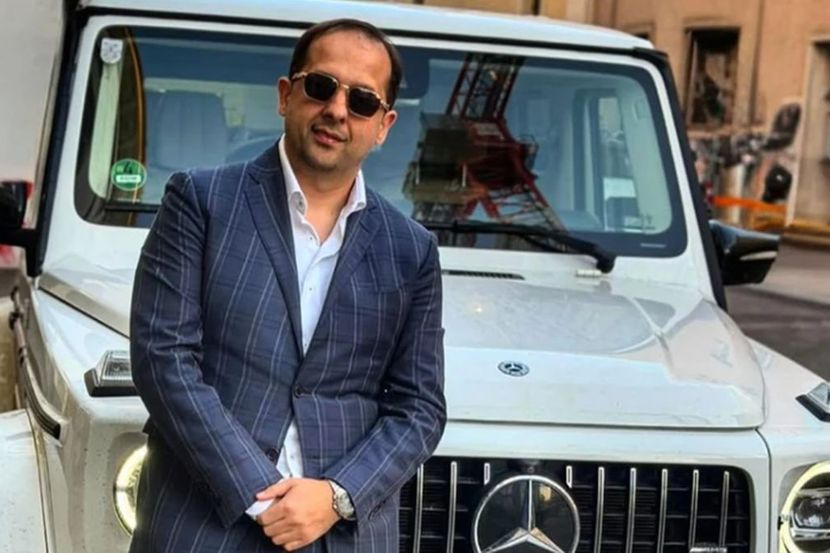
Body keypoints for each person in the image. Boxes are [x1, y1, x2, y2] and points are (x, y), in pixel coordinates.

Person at [129, 18, 447, 553]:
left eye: (362, 101)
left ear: (383, 125)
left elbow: (420, 409)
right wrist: (263, 495)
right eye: (321, 86)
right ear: (286, 95)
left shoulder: (411, 250)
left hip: (341, 534)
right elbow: (163, 359)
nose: (337, 110)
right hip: (204, 527)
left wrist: (338, 495)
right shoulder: (200, 202)